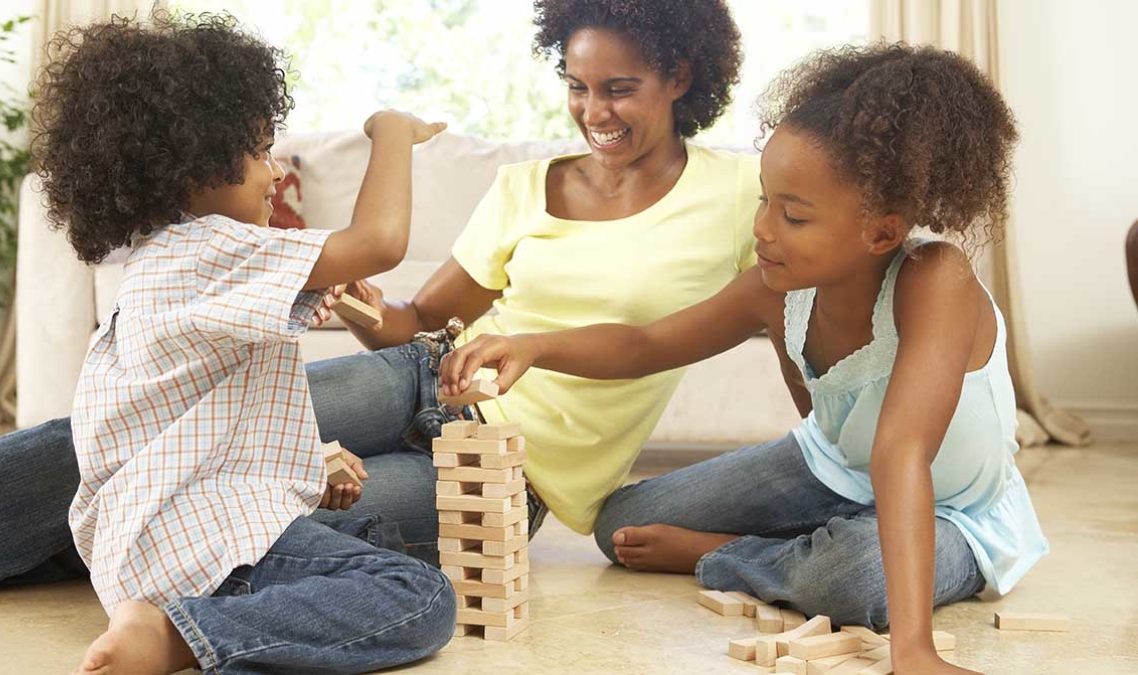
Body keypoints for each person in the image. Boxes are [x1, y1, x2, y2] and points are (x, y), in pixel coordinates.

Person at [0, 0, 757, 593]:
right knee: (117, 436)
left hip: (509, 477)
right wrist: (367, 314)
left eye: (616, 87)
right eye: (577, 86)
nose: (592, 112)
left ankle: (65, 556)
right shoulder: (523, 187)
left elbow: (786, 291)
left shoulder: (742, 193)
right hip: (413, 376)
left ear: (679, 75)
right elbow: (413, 322)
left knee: (260, 532)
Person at [440, 43, 1048, 675]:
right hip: (835, 469)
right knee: (621, 524)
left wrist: (913, 653)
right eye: (764, 199)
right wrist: (535, 346)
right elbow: (647, 343)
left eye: (793, 215)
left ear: (882, 232)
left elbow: (902, 451)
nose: (763, 228)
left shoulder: (935, 279)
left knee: (857, 574)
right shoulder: (774, 284)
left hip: (957, 510)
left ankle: (735, 552)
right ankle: (798, 546)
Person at [28, 13, 453, 675]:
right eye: (259, 151)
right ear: (192, 172)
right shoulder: (210, 249)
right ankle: (180, 635)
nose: (275, 171)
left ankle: (172, 615)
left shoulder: (161, 263)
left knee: (368, 537)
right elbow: (380, 241)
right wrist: (391, 129)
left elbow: (182, 434)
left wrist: (306, 471)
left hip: (154, 542)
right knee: (418, 593)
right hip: (198, 551)